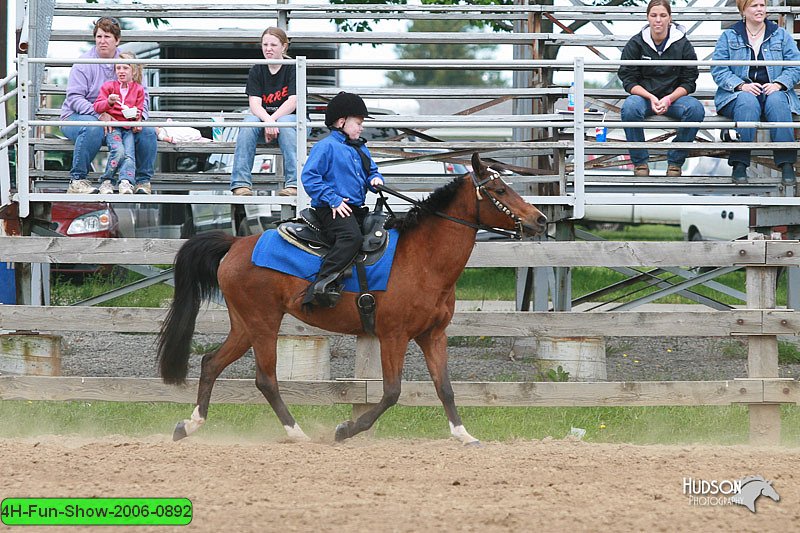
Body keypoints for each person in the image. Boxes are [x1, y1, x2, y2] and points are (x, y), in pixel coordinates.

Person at [300, 92, 385, 308]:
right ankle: (321, 285)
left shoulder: (360, 148)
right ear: (341, 122)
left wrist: (375, 179)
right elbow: (309, 177)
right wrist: (333, 199)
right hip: (331, 209)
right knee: (351, 238)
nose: (361, 127)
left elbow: (371, 171)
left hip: (355, 208)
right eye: (358, 122)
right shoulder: (326, 146)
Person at [60, 16, 157, 194]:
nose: (102, 41)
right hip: (78, 117)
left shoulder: (126, 62)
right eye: (99, 37)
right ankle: (78, 180)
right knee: (93, 128)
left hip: (119, 120)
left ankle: (142, 182)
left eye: (107, 37)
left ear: (117, 40)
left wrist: (139, 117)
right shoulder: (83, 63)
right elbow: (74, 98)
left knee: (148, 130)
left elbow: (143, 96)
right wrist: (100, 115)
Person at [712, 0, 800, 185]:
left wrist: (778, 84)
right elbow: (719, 69)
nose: (760, 9)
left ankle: (786, 165)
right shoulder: (729, 36)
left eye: (762, 5)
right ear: (743, 9)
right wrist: (740, 85)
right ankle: (740, 164)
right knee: (747, 101)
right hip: (737, 95)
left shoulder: (780, 35)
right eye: (754, 5)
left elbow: (795, 66)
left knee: (777, 100)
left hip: (773, 92)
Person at [618, 0, 705, 177]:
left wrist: (669, 98)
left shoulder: (683, 44)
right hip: (645, 98)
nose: (658, 20)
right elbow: (627, 78)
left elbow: (690, 80)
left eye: (663, 15)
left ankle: (675, 162)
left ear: (670, 19)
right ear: (647, 18)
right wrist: (650, 97)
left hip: (674, 99)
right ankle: (640, 163)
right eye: (654, 15)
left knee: (695, 109)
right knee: (629, 107)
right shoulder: (635, 43)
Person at [229, 27, 299, 197]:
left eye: (273, 45)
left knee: (284, 123)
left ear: (283, 47)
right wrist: (268, 122)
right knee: (248, 122)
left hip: (293, 124)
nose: (268, 48)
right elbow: (254, 104)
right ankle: (241, 184)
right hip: (266, 122)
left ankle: (294, 185)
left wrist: (272, 121)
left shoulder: (293, 68)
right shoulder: (257, 70)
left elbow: (293, 102)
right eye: (265, 44)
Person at [92, 52, 145, 194]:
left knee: (129, 154)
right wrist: (108, 102)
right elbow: (97, 106)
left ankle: (126, 181)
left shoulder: (138, 89)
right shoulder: (109, 87)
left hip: (128, 128)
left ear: (133, 71)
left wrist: (137, 118)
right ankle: (107, 180)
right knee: (119, 151)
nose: (121, 71)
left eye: (125, 68)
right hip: (113, 127)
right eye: (118, 68)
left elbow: (139, 109)